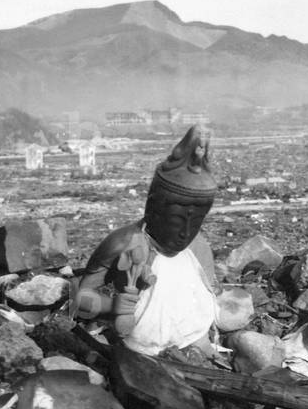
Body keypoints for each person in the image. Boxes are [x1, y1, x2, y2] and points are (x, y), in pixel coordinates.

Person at [71, 125, 220, 356]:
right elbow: (78, 298)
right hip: (139, 343)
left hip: (192, 335)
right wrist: (114, 306)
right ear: (152, 206)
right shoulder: (125, 242)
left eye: (197, 222)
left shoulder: (198, 247)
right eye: (177, 220)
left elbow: (205, 296)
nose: (185, 233)